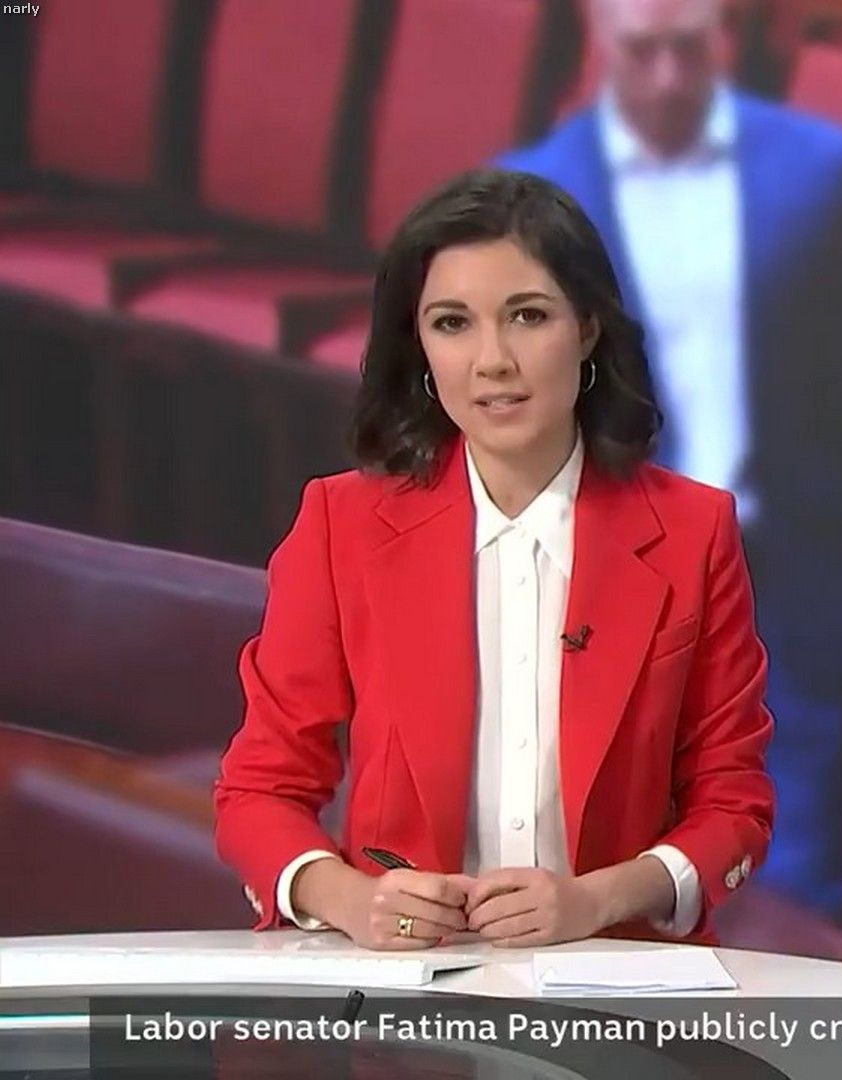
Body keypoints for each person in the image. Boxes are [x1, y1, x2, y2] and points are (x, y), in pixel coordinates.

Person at [212, 169, 773, 950]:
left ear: (587, 329)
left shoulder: (692, 531)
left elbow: (733, 804)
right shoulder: (343, 526)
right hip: (406, 982)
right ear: (418, 345)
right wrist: (349, 899)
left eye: (528, 316)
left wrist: (595, 901)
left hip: (613, 972)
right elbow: (258, 792)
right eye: (452, 323)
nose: (492, 361)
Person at [497, 0, 842, 921]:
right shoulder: (531, 203)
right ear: (597, 41)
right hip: (614, 595)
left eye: (689, 50)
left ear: (727, 39)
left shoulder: (817, 174)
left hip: (798, 592)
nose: (667, 79)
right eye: (641, 53)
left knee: (795, 908)